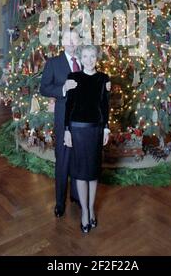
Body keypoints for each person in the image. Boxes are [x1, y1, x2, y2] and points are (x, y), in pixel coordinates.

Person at [64, 45, 111, 233]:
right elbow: (69, 105)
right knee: (81, 172)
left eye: (92, 56)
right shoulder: (73, 78)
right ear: (80, 58)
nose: (89, 59)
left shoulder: (103, 79)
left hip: (95, 130)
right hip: (77, 129)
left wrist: (106, 128)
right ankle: (84, 211)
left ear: (97, 58)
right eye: (85, 56)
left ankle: (91, 209)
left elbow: (105, 106)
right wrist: (67, 130)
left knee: (93, 172)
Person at [40, 29, 81, 217]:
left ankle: (75, 196)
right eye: (68, 39)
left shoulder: (85, 62)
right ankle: (59, 202)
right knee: (63, 161)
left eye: (75, 39)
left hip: (82, 121)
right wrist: (63, 88)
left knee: (78, 159)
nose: (72, 43)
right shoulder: (54, 63)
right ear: (62, 42)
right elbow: (44, 88)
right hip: (63, 119)